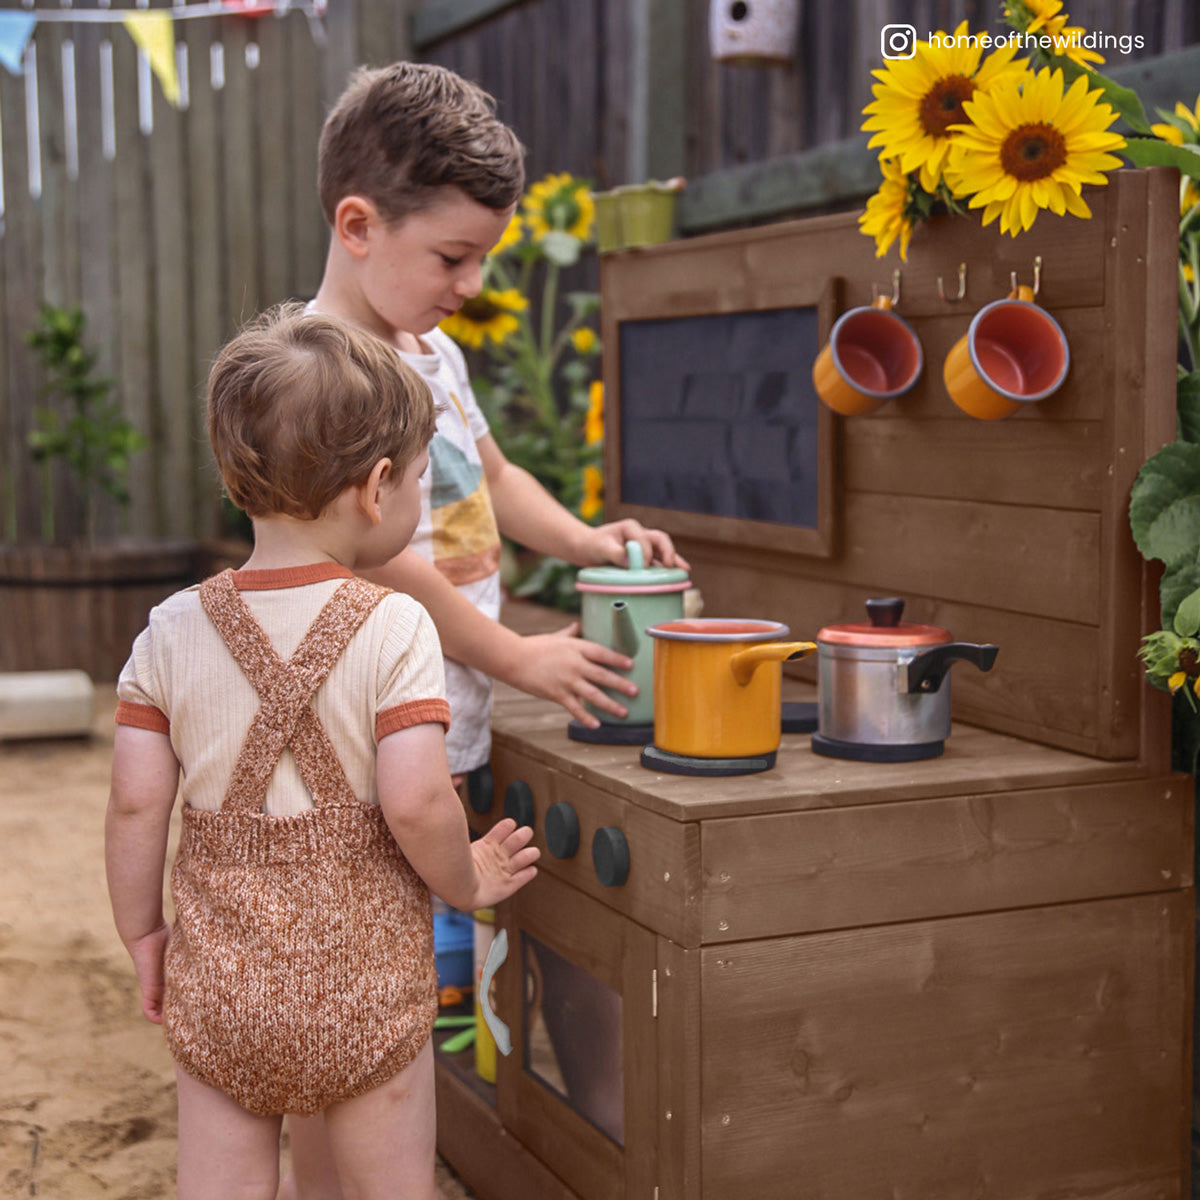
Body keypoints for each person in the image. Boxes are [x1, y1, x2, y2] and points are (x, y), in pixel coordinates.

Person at [282, 60, 688, 1200]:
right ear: (357, 224)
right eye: (452, 258)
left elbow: (492, 477)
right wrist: (515, 655)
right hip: (362, 734)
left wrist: (588, 544)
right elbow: (378, 554)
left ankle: (405, 1146)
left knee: (417, 976)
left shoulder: (433, 353)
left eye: (484, 260)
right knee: (359, 987)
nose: (469, 283)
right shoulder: (317, 370)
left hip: (440, 714)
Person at [105, 306, 540, 1200]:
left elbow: (136, 805)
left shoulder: (171, 631)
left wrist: (144, 934)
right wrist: (467, 880)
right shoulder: (395, 627)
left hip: (222, 996)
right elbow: (417, 802)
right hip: (368, 1000)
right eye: (419, 482)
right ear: (378, 488)